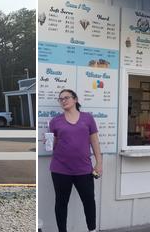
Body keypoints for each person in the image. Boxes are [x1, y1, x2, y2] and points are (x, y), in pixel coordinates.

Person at [49, 88, 103, 232]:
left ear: (75, 99)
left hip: (84, 169)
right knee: (61, 203)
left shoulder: (88, 118)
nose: (63, 101)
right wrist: (48, 143)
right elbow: (53, 145)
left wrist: (99, 163)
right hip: (60, 169)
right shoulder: (55, 121)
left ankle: (92, 230)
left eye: (66, 97)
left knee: (89, 201)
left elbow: (95, 142)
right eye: (61, 99)